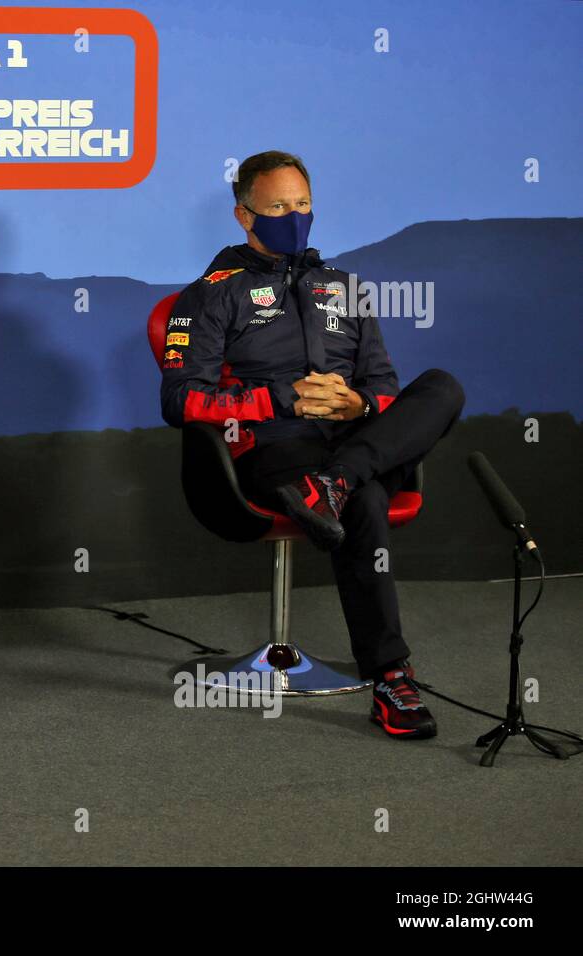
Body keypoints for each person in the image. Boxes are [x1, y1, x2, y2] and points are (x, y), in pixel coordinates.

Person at [159, 150, 465, 740]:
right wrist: (281, 398)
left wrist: (360, 406)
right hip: (275, 448)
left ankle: (336, 482)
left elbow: (385, 387)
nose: (293, 216)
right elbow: (181, 401)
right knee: (367, 500)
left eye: (302, 205)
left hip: (354, 441)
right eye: (277, 207)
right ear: (244, 216)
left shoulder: (344, 288)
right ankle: (391, 679)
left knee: (443, 389)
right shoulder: (209, 295)